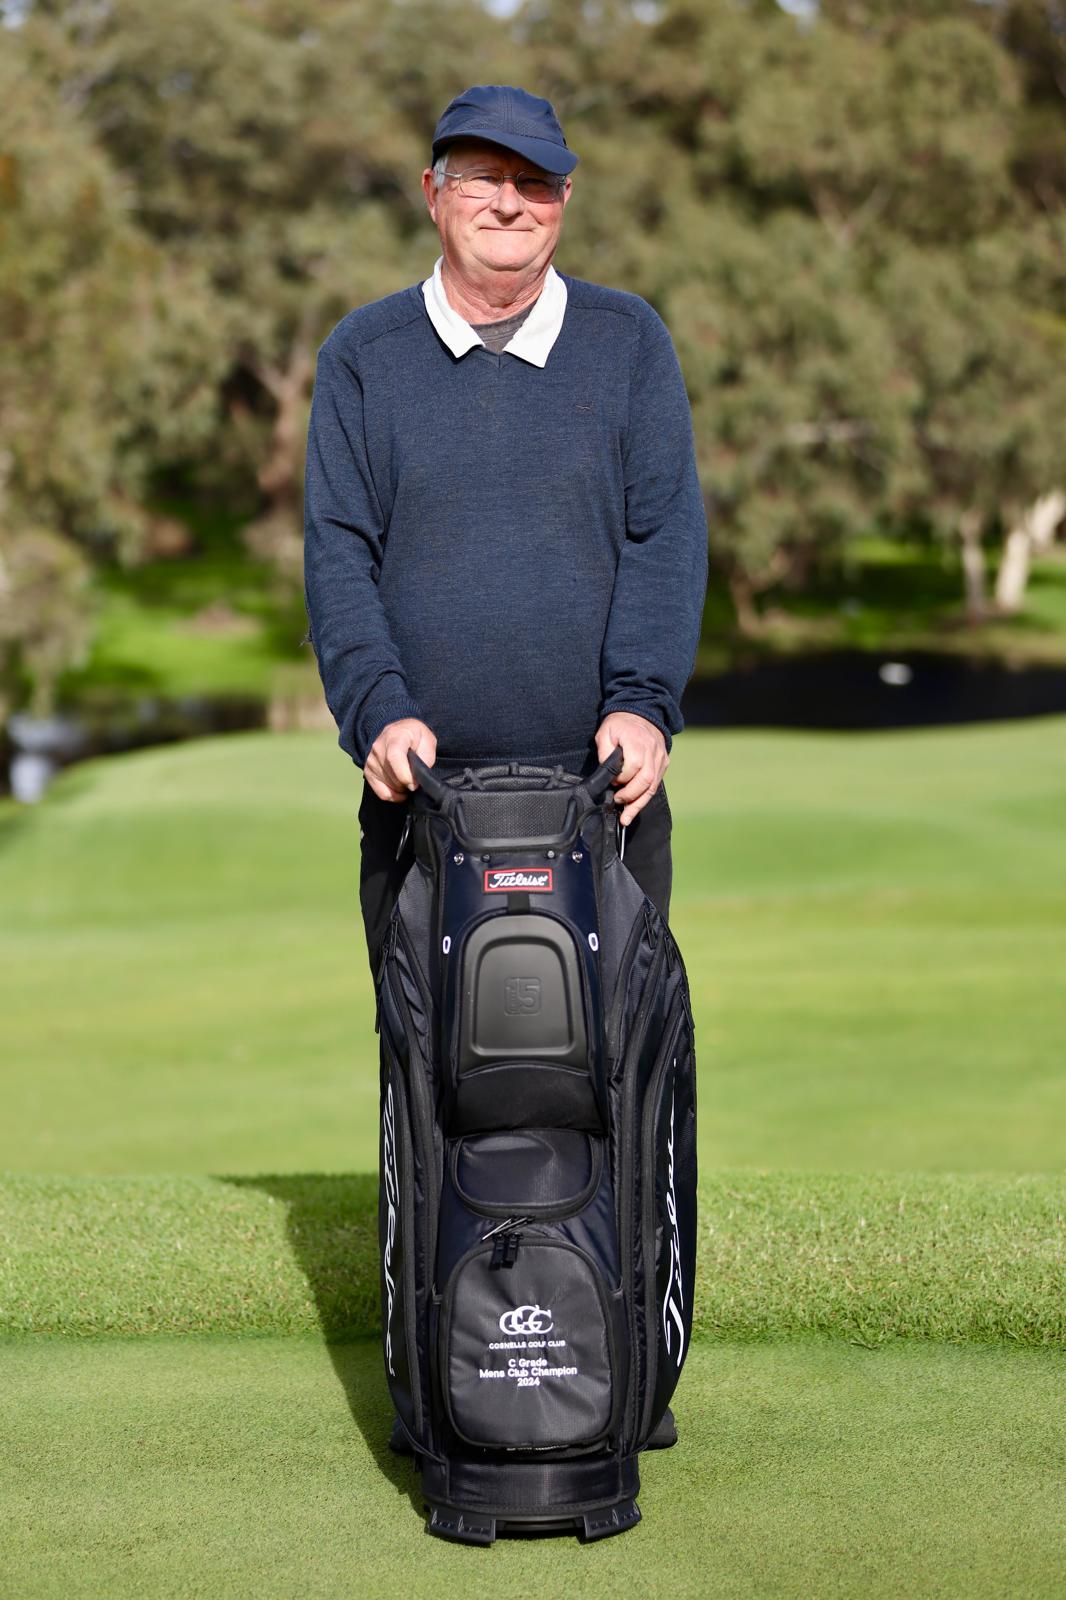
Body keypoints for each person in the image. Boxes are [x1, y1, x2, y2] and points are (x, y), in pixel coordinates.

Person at [304, 84, 708, 977]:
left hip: (605, 800)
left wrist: (643, 706)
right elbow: (338, 556)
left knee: (624, 1063)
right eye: (482, 177)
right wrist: (377, 712)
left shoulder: (629, 341)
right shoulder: (361, 356)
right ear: (433, 193)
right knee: (430, 1067)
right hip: (421, 803)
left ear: (565, 199)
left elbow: (665, 540)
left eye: (535, 182)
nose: (509, 203)